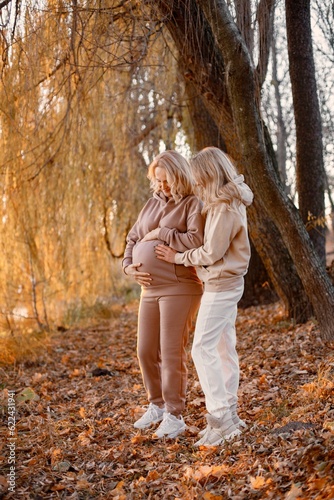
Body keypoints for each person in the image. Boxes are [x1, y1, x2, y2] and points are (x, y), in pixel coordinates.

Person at [155, 147, 253, 446]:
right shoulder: (228, 201)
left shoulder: (224, 207)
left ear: (209, 175)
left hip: (221, 284)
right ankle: (231, 417)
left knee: (202, 349)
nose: (195, 184)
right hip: (227, 282)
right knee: (224, 347)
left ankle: (220, 419)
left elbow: (212, 252)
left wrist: (178, 256)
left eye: (198, 179)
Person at [122, 150, 204, 439]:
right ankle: (156, 405)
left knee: (171, 353)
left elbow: (196, 239)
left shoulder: (193, 202)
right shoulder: (150, 203)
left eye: (167, 181)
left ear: (180, 176)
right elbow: (132, 239)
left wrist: (161, 233)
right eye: (158, 181)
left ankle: (174, 414)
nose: (162, 187)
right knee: (145, 350)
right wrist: (128, 267)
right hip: (149, 289)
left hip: (179, 286)